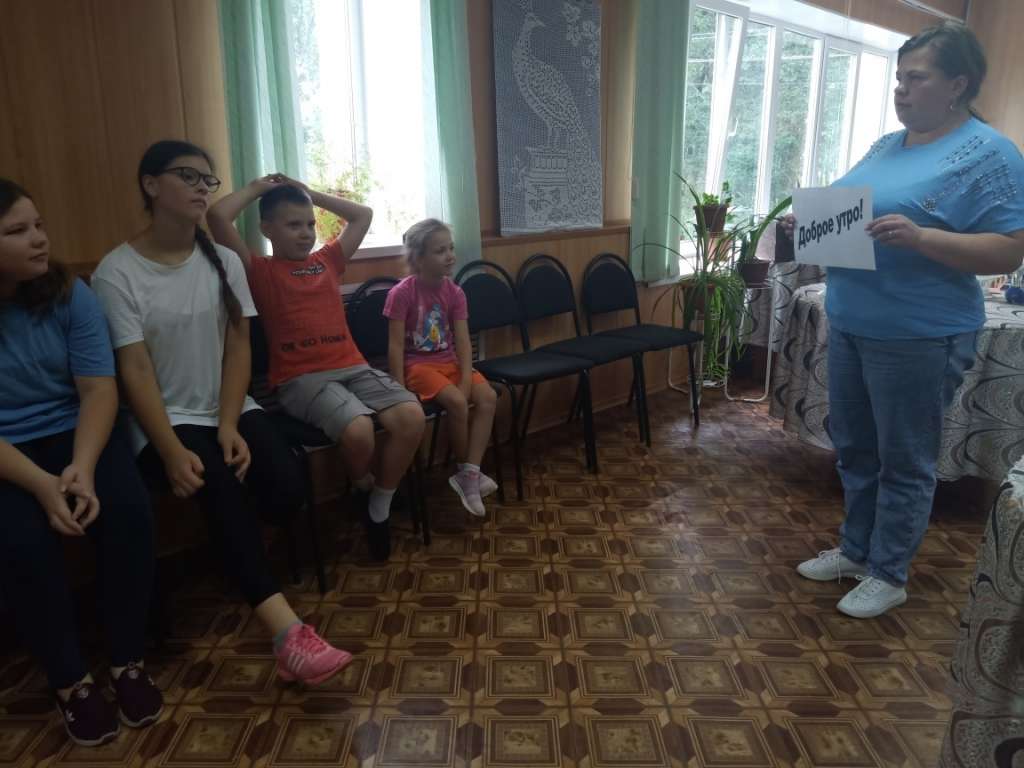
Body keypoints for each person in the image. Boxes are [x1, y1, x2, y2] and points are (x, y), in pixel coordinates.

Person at [785, 22, 1024, 618]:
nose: (901, 89)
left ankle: (889, 572)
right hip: (851, 318)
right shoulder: (886, 146)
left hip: (920, 332)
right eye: (899, 78)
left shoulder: (989, 153)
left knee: (904, 459)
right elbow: (853, 213)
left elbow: (1009, 250)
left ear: (957, 84)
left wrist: (923, 239)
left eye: (916, 78)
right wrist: (810, 224)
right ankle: (856, 550)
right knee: (855, 448)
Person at [90, 141, 351, 683]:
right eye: (187, 177)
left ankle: (241, 559)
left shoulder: (225, 261)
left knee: (285, 486)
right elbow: (134, 370)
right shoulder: (117, 272)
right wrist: (169, 450)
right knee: (223, 491)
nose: (201, 189)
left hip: (229, 405)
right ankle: (287, 635)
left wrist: (230, 422)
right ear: (150, 185)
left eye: (207, 180)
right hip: (163, 420)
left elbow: (238, 347)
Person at [0, 179, 162, 746]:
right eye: (17, 231)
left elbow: (98, 389)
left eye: (39, 225)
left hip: (78, 433)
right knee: (23, 544)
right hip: (8, 454)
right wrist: (44, 486)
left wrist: (83, 468)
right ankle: (70, 680)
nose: (39, 240)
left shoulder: (71, 292)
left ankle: (127, 661)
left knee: (130, 515)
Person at [206, 175, 425, 561]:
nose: (306, 233)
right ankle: (362, 484)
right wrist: (259, 188)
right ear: (266, 229)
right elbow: (217, 216)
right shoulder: (259, 269)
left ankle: (380, 502)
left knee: (412, 417)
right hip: (300, 380)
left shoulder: (328, 261)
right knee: (359, 431)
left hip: (353, 367)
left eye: (309, 224)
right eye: (293, 225)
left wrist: (309, 193)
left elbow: (362, 214)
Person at [383, 219, 498, 516]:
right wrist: (399, 389)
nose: (450, 256)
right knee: (458, 402)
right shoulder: (402, 293)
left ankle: (469, 473)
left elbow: (463, 341)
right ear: (419, 258)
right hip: (418, 367)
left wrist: (465, 377)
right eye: (440, 251)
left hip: (449, 363)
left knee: (488, 397)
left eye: (451, 248)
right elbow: (395, 346)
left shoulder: (455, 292)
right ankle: (466, 472)